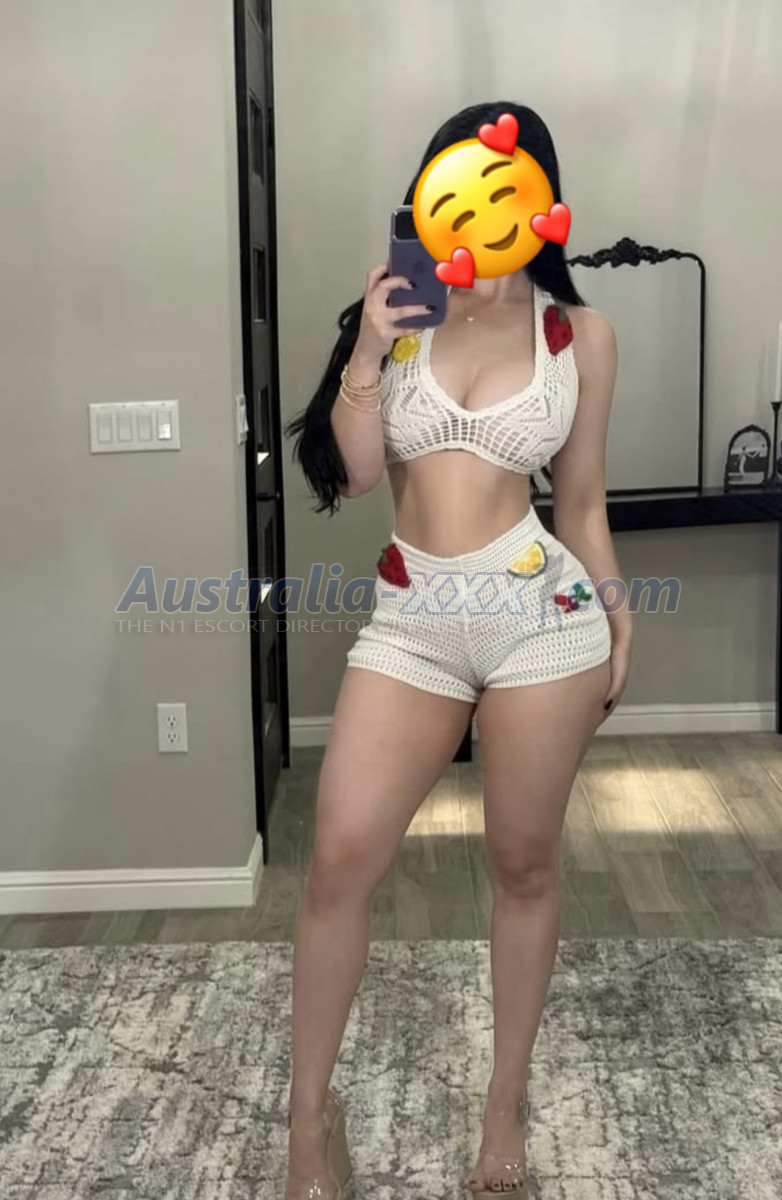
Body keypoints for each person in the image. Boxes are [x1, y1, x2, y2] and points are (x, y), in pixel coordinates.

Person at [282, 100, 634, 1199]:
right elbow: (349, 476)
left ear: (542, 202)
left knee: (523, 866)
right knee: (339, 862)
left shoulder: (579, 335)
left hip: (542, 620)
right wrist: (368, 346)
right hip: (412, 622)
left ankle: (502, 1105)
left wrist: (618, 615)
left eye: (505, 186)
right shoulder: (400, 311)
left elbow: (581, 504)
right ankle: (309, 1122)